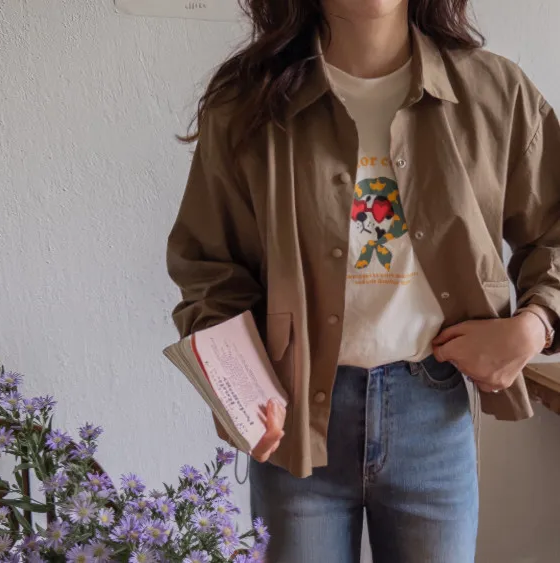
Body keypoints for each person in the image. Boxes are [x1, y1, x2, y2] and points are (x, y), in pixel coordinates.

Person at [166, 0, 560, 561]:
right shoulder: (248, 100)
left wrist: (536, 324)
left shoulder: (495, 93)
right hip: (295, 422)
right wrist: (238, 386)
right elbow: (210, 265)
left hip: (433, 413)